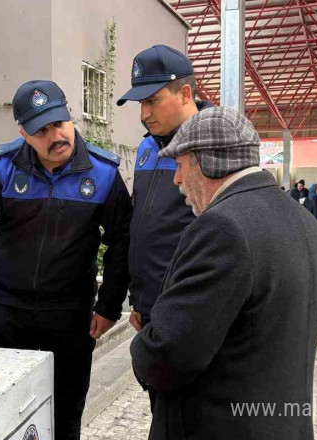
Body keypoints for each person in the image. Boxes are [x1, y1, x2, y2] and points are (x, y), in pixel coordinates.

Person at [0, 80, 132, 440]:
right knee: (8, 413)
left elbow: (122, 240)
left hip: (70, 318)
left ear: (69, 115)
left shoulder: (101, 173)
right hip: (10, 314)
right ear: (23, 133)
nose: (56, 136)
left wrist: (109, 305)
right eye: (41, 131)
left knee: (66, 412)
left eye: (60, 123)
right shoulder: (3, 168)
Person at [130, 107, 317, 439]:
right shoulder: (299, 217)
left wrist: (142, 345)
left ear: (204, 162)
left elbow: (169, 353)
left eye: (179, 165)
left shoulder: (223, 227)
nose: (176, 180)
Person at [115, 44, 214, 412]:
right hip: (153, 308)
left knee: (193, 413)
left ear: (185, 93)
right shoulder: (146, 148)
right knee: (166, 413)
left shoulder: (213, 145)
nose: (144, 114)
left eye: (153, 101)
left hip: (190, 309)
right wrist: (140, 301)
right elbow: (146, 226)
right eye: (140, 104)